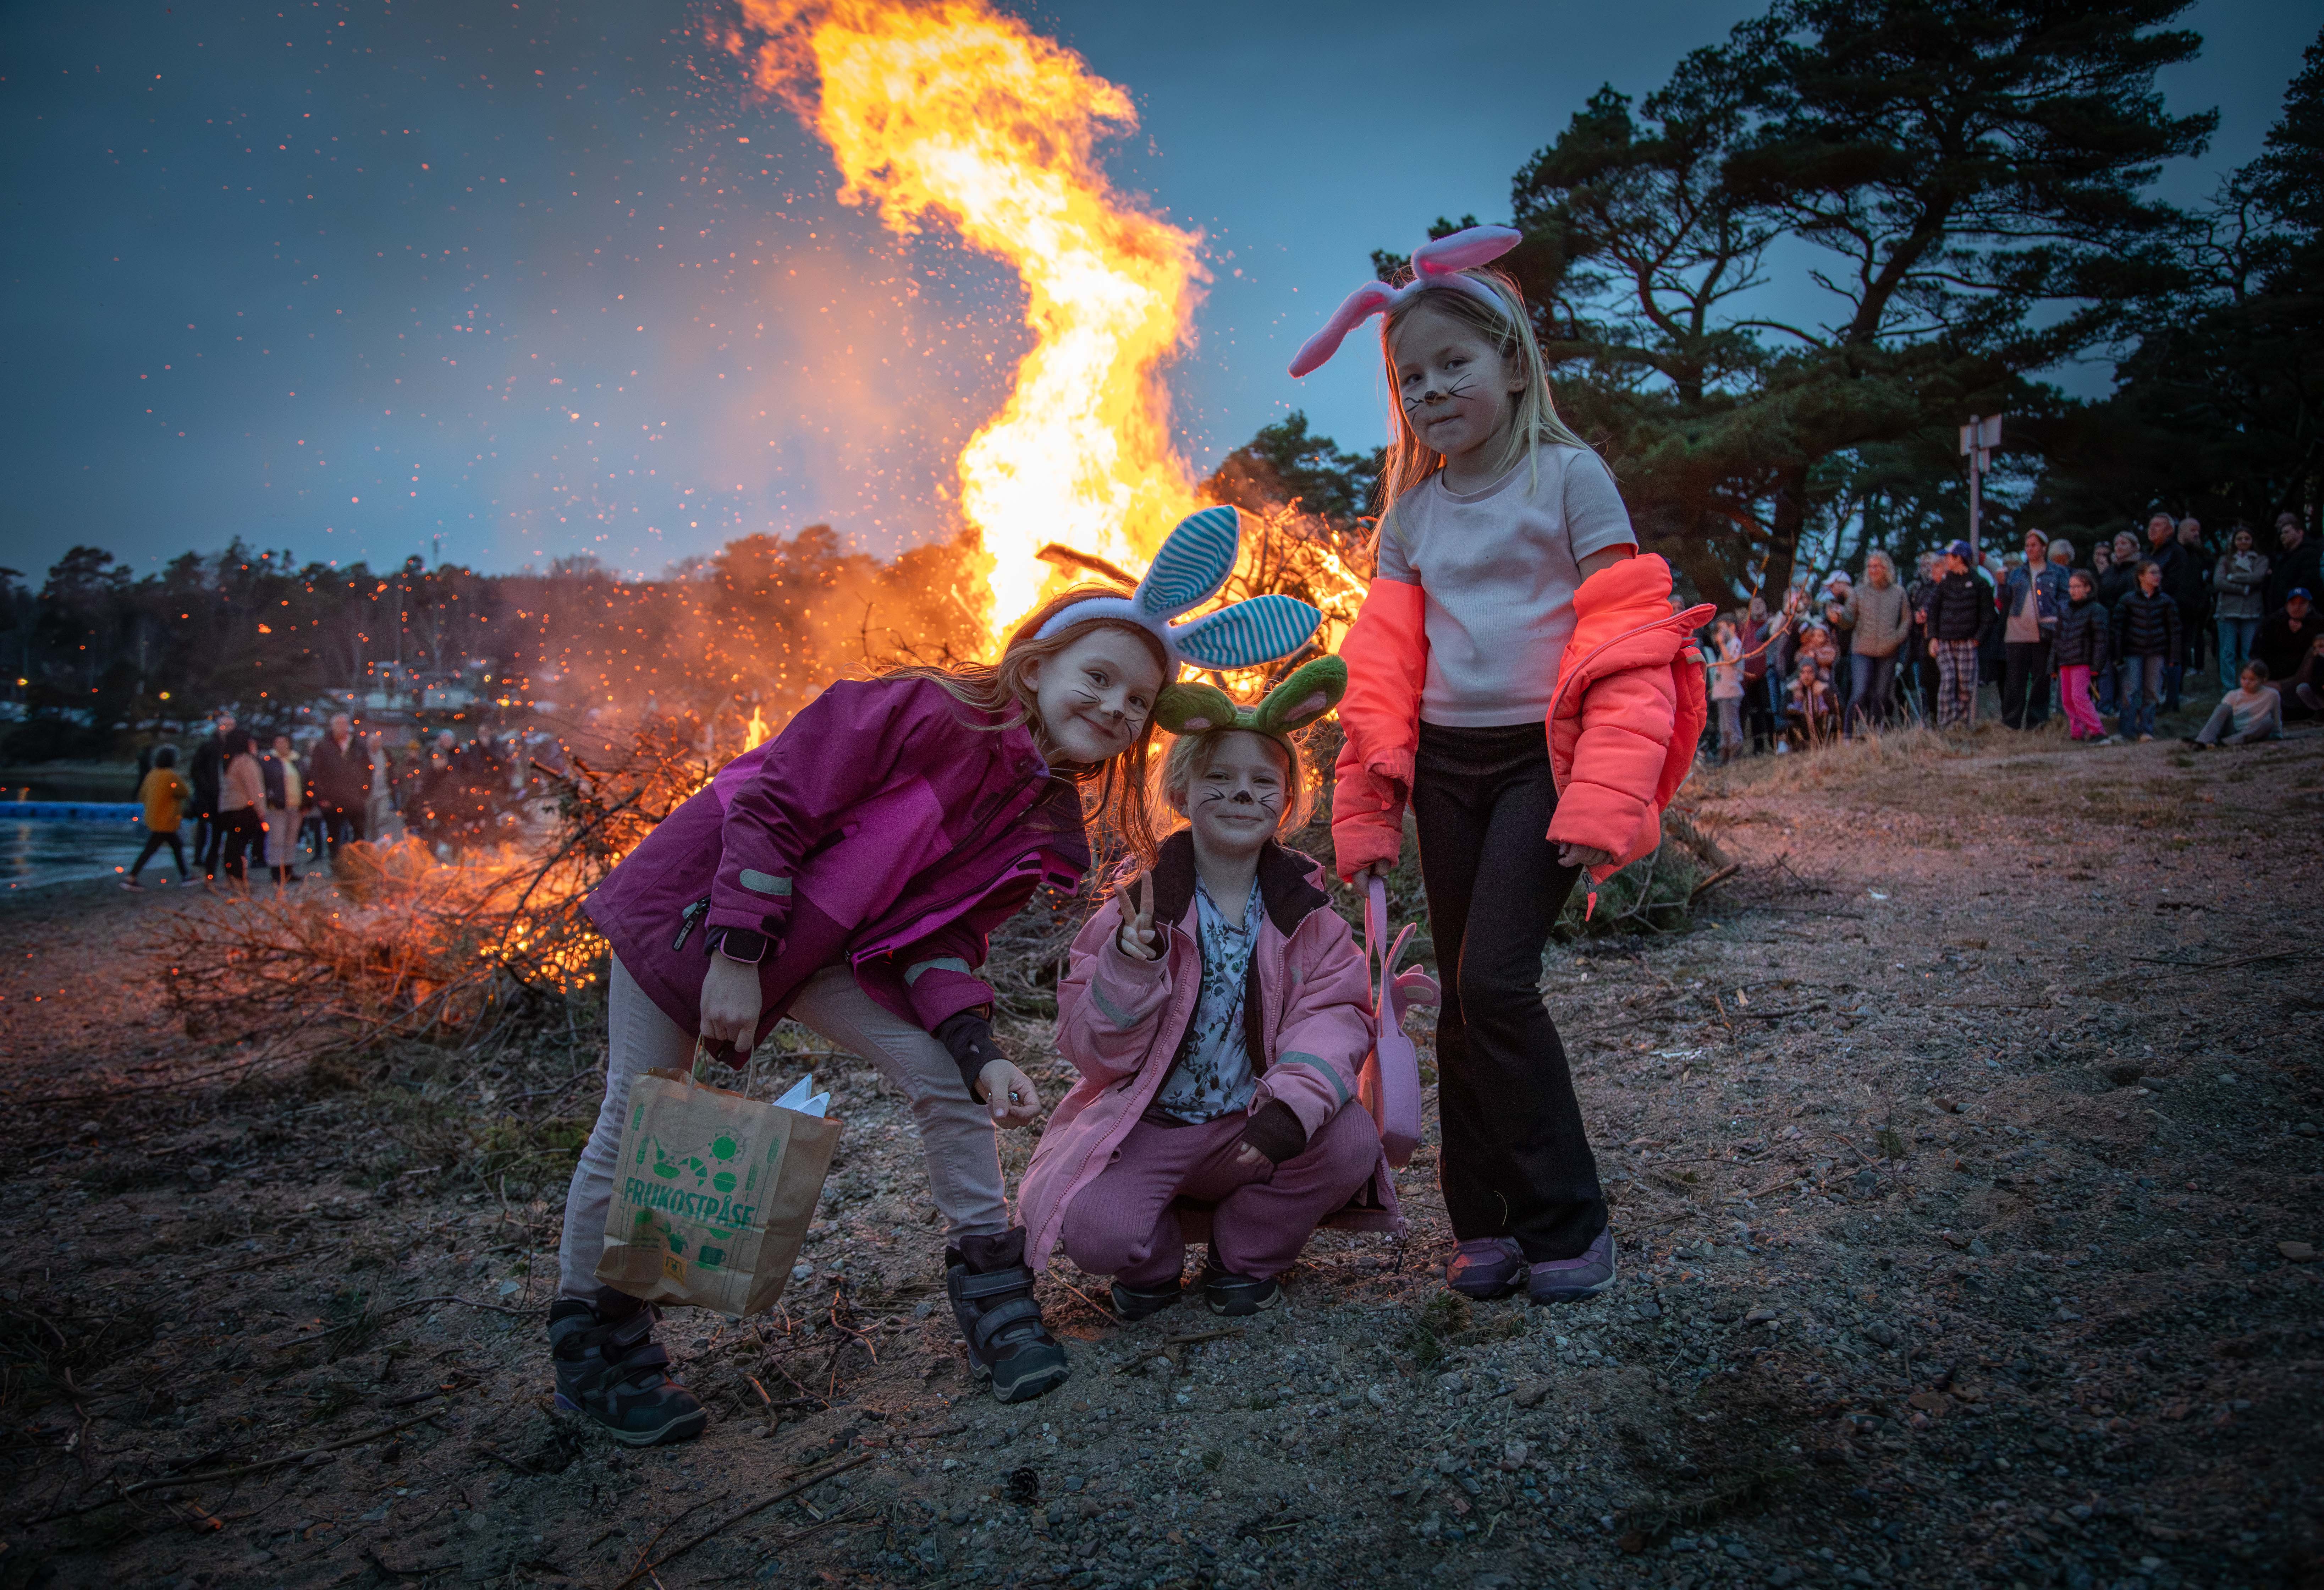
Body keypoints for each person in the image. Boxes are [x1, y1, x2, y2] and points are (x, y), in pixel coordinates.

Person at [548, 506, 1321, 1443]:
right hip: (694, 912)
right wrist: (736, 956)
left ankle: (995, 1293)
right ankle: (597, 1346)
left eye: (1136, 700)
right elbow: (772, 803)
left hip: (818, 949)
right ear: (1034, 667)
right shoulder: (921, 711)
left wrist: (976, 1047)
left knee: (947, 1082)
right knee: (638, 1111)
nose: (1114, 707)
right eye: (1097, 677)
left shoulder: (1041, 823)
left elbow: (941, 941)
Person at [1296, 225, 1711, 1307]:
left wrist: (1603, 793)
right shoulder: (1410, 516)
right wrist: (1367, 808)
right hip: (1446, 768)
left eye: (1453, 364)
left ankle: (1567, 1220)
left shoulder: (1567, 479)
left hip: (1543, 762)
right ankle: (1482, 1224)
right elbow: (1384, 672)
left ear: (1513, 365)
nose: (1431, 389)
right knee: (1458, 1002)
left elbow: (1626, 642)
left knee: (1494, 982)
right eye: (1410, 377)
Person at [1023, 663, 1393, 1318]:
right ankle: (1153, 1262)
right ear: (1181, 790)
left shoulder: (1310, 919)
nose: (1241, 793)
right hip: (1150, 1126)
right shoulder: (1136, 909)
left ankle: (1244, 1255)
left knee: (1350, 1142)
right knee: (1094, 1229)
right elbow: (1092, 1054)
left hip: (1252, 1123)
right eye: (1218, 777)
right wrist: (1131, 967)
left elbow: (1334, 1018)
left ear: (1286, 801)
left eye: (1262, 782)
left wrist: (1289, 1111)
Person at [1995, 528, 2067, 729]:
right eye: (2027, 545)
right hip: (2017, 633)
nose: (2030, 549)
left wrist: (2056, 616)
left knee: (2041, 679)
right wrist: (2001, 585)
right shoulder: (2017, 573)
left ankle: (2037, 723)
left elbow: (2065, 598)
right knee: (2015, 680)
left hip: (2044, 632)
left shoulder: (2058, 572)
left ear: (2044, 547)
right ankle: (2011, 723)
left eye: (2034, 545)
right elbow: (2007, 601)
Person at [1920, 541, 1990, 729]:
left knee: (1966, 686)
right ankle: (1946, 724)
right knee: (1948, 680)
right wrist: (1933, 638)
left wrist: (1978, 639)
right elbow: (1933, 612)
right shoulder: (1944, 584)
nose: (1945, 560)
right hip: (1945, 641)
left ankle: (1960, 724)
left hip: (1967, 642)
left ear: (1959, 558)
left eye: (1948, 556)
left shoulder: (1979, 584)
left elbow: (1988, 616)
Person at [2111, 560, 2182, 743]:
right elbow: (2118, 629)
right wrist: (2118, 655)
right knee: (2131, 690)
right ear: (2141, 576)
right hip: (2133, 651)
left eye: (2158, 572)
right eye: (2153, 573)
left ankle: (2146, 729)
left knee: (2152, 691)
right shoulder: (2128, 600)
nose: (2157, 576)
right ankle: (2127, 730)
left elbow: (2175, 631)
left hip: (2157, 651)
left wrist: (2174, 657)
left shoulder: (2166, 602)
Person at [1839, 552, 1908, 733]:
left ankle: (1875, 732)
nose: (1872, 570)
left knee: (1881, 696)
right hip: (1862, 650)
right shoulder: (1859, 591)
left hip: (1888, 652)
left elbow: (1907, 619)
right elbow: (1848, 619)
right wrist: (1839, 617)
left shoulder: (1899, 593)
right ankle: (1848, 734)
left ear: (1886, 568)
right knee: (1859, 692)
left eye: (1876, 566)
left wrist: (1897, 638)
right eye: (1870, 566)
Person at [2140, 512, 2191, 711]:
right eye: (2151, 525)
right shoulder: (2148, 554)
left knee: (2172, 655)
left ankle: (2172, 700)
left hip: (2168, 610)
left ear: (2170, 530)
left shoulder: (2176, 553)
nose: (2152, 529)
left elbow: (2176, 584)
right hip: (2149, 611)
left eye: (2158, 525)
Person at [2052, 570, 2111, 742]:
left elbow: (2101, 640)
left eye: (2077, 586)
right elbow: (2058, 640)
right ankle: (2078, 732)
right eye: (2071, 587)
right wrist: (2053, 665)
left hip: (2083, 661)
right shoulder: (2066, 611)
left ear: (2088, 588)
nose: (2072, 591)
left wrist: (2097, 666)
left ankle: (2097, 731)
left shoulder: (2096, 610)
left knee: (2079, 697)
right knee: (2067, 700)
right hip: (2066, 661)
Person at [307, 711, 374, 860]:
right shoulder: (323, 747)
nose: (342, 727)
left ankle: (357, 863)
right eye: (338, 724)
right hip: (332, 801)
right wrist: (321, 797)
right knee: (334, 835)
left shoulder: (358, 746)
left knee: (359, 833)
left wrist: (364, 793)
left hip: (355, 800)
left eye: (344, 724)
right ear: (332, 727)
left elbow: (369, 771)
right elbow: (315, 773)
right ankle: (337, 865)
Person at [125, 745, 190, 890]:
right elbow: (185, 792)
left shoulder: (152, 775)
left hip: (153, 818)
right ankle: (131, 877)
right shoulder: (171, 776)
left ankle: (186, 876)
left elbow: (143, 795)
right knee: (154, 849)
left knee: (173, 846)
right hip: (167, 820)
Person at [2213, 526, 2269, 691]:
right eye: (2240, 538)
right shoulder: (2225, 560)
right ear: (2234, 541)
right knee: (2227, 652)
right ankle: (2229, 688)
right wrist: (2243, 589)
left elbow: (2258, 577)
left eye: (2247, 538)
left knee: (2249, 652)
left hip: (2251, 610)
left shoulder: (2260, 559)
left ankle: (2249, 686)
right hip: (2227, 610)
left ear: (2252, 541)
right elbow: (2219, 582)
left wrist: (2232, 577)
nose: (2243, 541)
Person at [2255, 588, 2322, 721]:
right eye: (2293, 603)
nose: (2297, 607)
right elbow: (2258, 652)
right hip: (2275, 675)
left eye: (2302, 603)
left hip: (2307, 680)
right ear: (2287, 605)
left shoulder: (2318, 624)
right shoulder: (2272, 623)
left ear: (2309, 606)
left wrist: (2304, 632)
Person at [214, 727, 267, 887]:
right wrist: (261, 811)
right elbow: (255, 789)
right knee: (240, 846)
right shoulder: (245, 762)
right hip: (243, 808)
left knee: (232, 844)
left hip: (227, 809)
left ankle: (232, 877)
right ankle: (238, 880)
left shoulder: (226, 761)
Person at [2188, 662, 2282, 747]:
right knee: (2223, 708)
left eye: (2252, 680)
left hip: (2252, 732)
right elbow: (2220, 718)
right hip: (2233, 730)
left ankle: (2225, 743)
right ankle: (2202, 741)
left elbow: (2276, 716)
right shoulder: (2233, 695)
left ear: (2263, 680)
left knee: (2268, 722)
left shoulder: (2272, 695)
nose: (2247, 683)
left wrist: (2278, 734)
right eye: (2244, 678)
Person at [188, 711, 234, 880]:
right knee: (206, 829)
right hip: (208, 797)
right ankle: (202, 861)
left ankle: (224, 869)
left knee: (220, 833)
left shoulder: (234, 749)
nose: (228, 730)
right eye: (225, 726)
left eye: (231, 727)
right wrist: (207, 789)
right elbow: (196, 771)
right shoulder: (208, 747)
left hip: (227, 797)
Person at [261, 732, 305, 884]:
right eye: (278, 742)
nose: (281, 745)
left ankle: (288, 871)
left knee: (291, 840)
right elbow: (265, 783)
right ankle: (276, 873)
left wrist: (307, 802)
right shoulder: (269, 762)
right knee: (277, 840)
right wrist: (271, 800)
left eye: (284, 742)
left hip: (296, 808)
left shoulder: (297, 761)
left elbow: (306, 780)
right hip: (277, 808)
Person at [2175, 516, 2213, 680]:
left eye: (2198, 531)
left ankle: (2196, 667)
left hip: (2196, 608)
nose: (2197, 534)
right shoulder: (2174, 553)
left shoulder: (2201, 555)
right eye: (2193, 530)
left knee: (2195, 638)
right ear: (2182, 531)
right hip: (2176, 607)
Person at [1740, 593, 1778, 750]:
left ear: (1766, 606)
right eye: (1753, 604)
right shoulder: (1745, 627)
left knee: (1769, 709)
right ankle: (1758, 748)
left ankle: (1775, 744)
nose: (1757, 606)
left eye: (1760, 603)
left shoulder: (1774, 623)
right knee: (1754, 712)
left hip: (1767, 674)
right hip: (1749, 679)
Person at [2265, 512, 2320, 617]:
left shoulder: (2309, 553)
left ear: (2300, 533)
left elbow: (2309, 580)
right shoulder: (2282, 557)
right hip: (2280, 610)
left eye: (2287, 532)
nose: (2283, 536)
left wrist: (2289, 596)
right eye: (2282, 533)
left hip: (2298, 609)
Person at [1707, 617, 1746, 762]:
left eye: (1722, 628)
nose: (1720, 633)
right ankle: (1724, 756)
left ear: (1732, 627)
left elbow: (1731, 661)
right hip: (1723, 692)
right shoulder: (1729, 644)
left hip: (1731, 691)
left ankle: (1734, 756)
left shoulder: (1736, 643)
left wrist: (1721, 644)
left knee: (1731, 727)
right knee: (1724, 728)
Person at [1786, 656, 1838, 746]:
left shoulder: (1822, 686)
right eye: (1803, 672)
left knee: (1832, 720)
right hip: (1806, 734)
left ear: (1815, 673)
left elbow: (1836, 710)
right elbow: (1783, 712)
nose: (1806, 676)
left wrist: (1824, 691)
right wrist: (1792, 694)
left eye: (1810, 672)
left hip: (1822, 731)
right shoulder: (1796, 688)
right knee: (1790, 723)